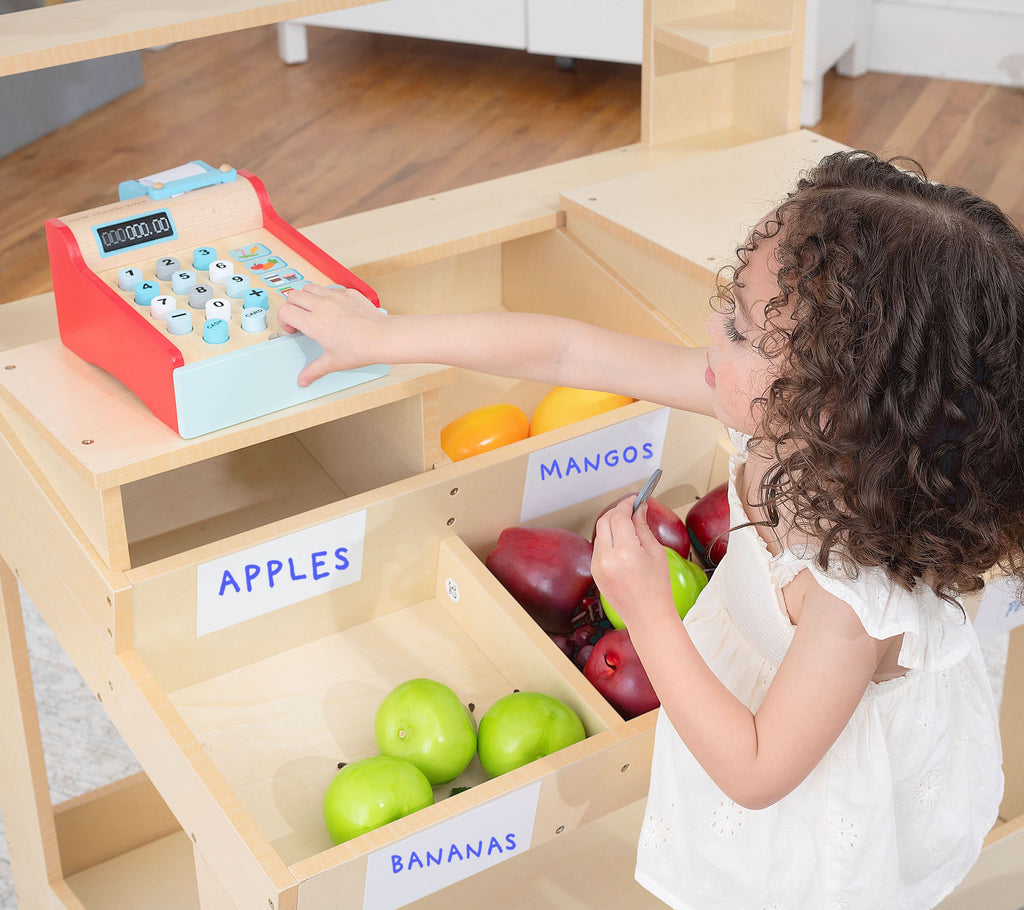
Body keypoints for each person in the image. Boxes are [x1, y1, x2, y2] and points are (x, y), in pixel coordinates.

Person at [279, 150, 1022, 909]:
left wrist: (647, 610)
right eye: (730, 306)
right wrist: (380, 337)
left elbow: (756, 772)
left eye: (740, 330)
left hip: (807, 786)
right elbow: (567, 350)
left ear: (837, 405)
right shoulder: (784, 427)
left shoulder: (851, 600)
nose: (711, 330)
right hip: (752, 701)